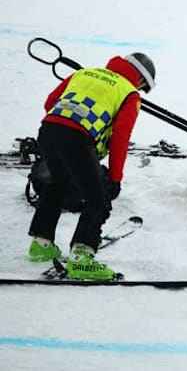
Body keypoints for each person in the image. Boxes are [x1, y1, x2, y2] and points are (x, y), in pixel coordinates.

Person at [27, 52, 156, 280]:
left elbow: (50, 102)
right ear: (139, 78)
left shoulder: (84, 73)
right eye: (143, 85)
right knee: (99, 199)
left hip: (48, 131)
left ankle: (41, 244)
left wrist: (69, 124)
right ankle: (82, 258)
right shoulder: (129, 93)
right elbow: (120, 138)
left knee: (58, 184)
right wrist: (115, 178)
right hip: (76, 138)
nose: (141, 88)